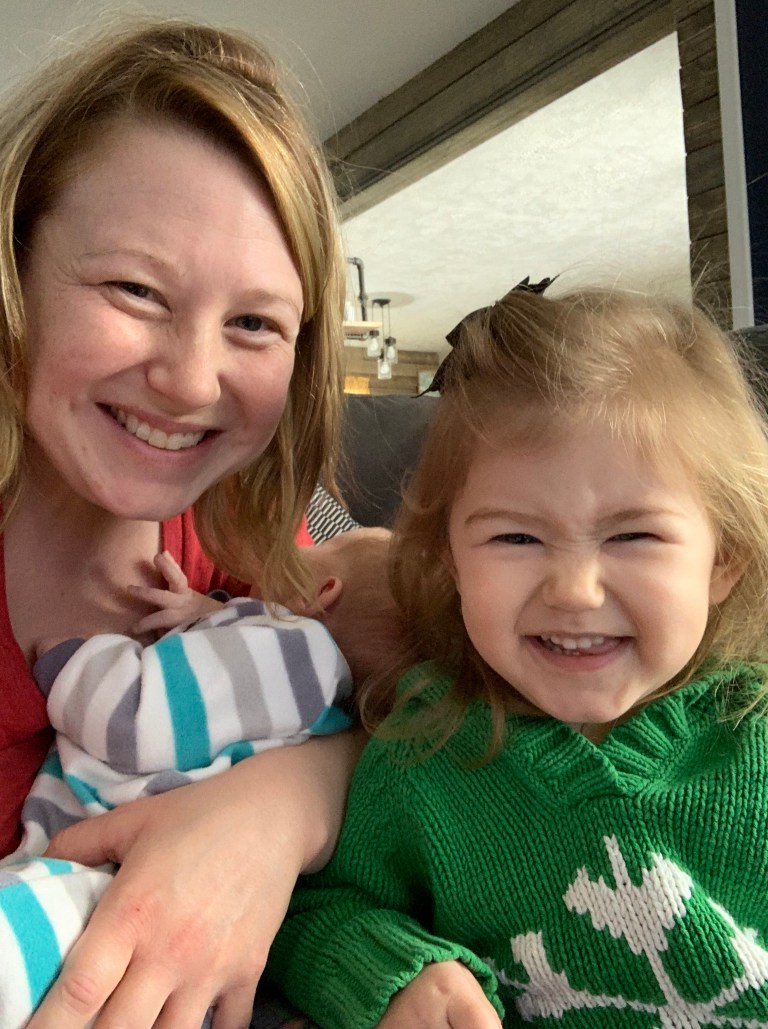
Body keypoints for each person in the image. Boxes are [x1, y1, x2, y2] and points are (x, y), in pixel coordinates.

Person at [0, 15, 371, 1029]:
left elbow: (411, 703)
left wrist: (278, 811)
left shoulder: (269, 527)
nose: (191, 380)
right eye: (135, 289)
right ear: (15, 273)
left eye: (254, 322)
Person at [267, 283, 768, 1027]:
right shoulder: (422, 755)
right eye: (516, 537)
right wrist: (398, 971)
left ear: (723, 558)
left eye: (633, 535)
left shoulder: (754, 734)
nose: (574, 590)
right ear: (449, 559)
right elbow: (315, 914)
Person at [0, 529, 398, 1029]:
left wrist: (72, 663)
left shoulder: (303, 655)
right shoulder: (313, 692)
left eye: (309, 553)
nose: (274, 559)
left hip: (109, 885)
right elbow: (223, 685)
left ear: (319, 594)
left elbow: (132, 719)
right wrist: (211, 613)